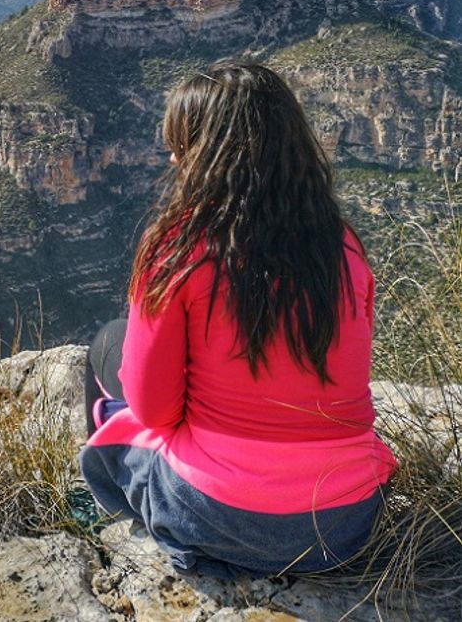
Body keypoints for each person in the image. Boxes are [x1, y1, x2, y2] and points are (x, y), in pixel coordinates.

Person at [79, 60, 397, 579]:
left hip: (217, 517)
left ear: (204, 156)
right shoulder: (343, 247)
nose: (171, 156)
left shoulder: (178, 248)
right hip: (344, 525)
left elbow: (156, 410)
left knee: (109, 345)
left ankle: (108, 507)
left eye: (181, 144)